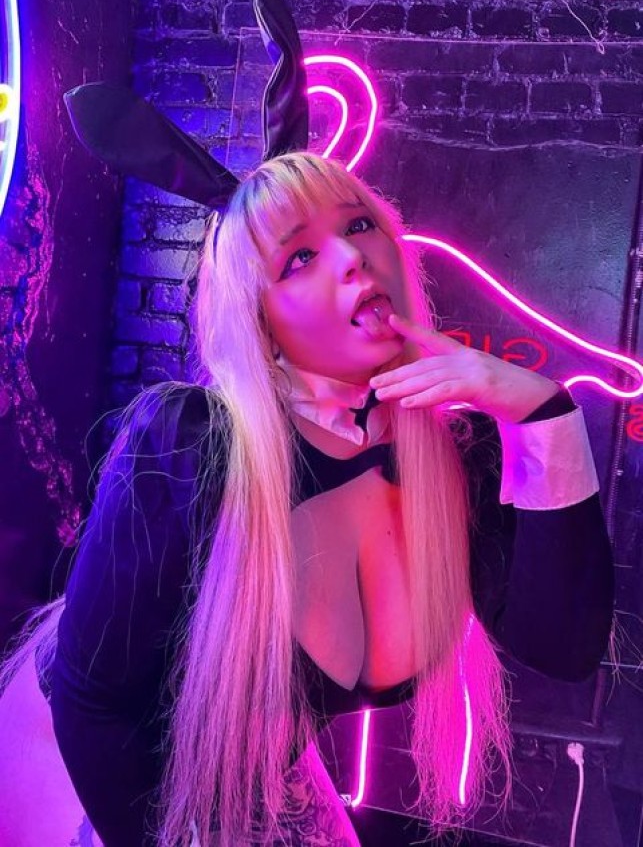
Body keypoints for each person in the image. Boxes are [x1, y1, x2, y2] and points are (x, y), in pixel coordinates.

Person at [1, 151, 613, 847]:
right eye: (298, 259)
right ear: (262, 323)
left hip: (246, 756)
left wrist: (541, 411)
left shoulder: (455, 458)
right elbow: (96, 704)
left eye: (358, 225)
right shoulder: (191, 444)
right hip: (75, 759)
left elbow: (562, 648)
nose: (351, 259)